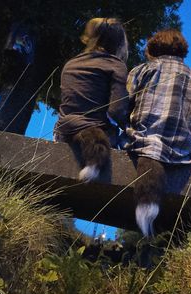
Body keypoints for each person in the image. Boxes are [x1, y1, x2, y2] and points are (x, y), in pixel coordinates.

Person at [126, 29, 191, 236]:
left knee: (147, 146)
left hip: (146, 144)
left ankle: (146, 208)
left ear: (153, 48)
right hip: (185, 153)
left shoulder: (142, 70)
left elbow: (123, 106)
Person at [54, 18, 129, 181]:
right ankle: (95, 162)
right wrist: (129, 126)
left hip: (63, 131)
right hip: (97, 133)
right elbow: (117, 110)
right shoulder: (116, 65)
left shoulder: (71, 63)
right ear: (119, 43)